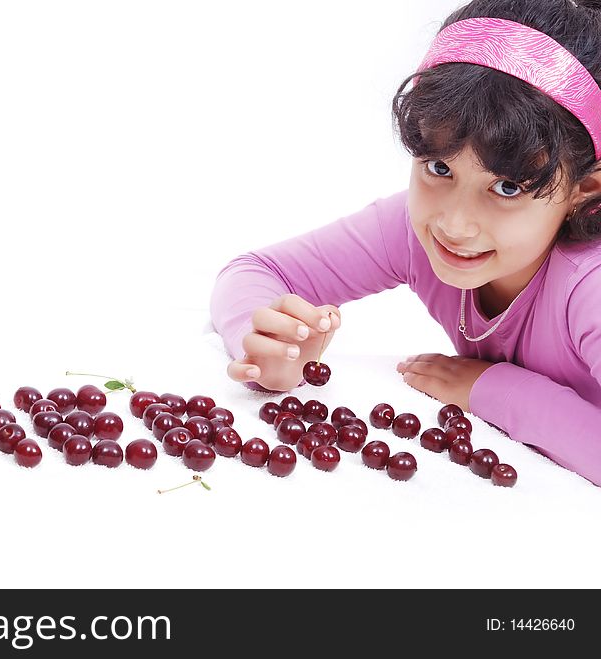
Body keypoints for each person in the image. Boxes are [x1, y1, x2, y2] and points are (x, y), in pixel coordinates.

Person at [209, 0, 601, 485]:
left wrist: (497, 389)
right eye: (439, 167)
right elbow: (256, 271)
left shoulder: (591, 289)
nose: (456, 225)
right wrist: (268, 340)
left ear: (586, 190)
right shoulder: (414, 230)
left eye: (507, 188)